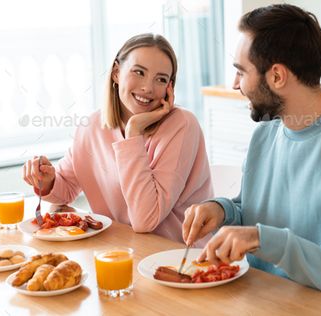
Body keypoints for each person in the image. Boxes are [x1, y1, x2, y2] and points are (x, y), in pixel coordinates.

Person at [182, 4, 321, 315]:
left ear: (277, 76)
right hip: (270, 301)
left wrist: (267, 240)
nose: (236, 84)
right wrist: (223, 211)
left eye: (241, 71)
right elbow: (262, 216)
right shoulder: (268, 133)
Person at [23, 33, 213, 243]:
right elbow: (66, 189)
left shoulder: (182, 125)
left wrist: (133, 133)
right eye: (139, 72)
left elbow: (145, 220)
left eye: (160, 79)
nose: (148, 88)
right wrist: (48, 181)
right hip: (119, 250)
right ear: (116, 72)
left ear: (170, 88)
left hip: (178, 259)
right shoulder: (93, 126)